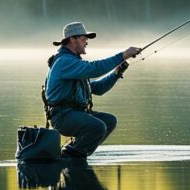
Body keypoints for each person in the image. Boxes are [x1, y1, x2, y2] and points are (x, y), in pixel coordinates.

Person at [44, 22, 140, 159]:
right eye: (84, 39)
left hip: (74, 114)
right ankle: (71, 155)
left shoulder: (73, 63)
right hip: (62, 116)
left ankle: (77, 151)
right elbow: (95, 69)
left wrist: (116, 73)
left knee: (109, 121)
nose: (87, 42)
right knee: (98, 126)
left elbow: (98, 88)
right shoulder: (65, 62)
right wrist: (123, 55)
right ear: (72, 39)